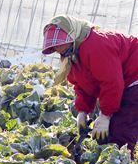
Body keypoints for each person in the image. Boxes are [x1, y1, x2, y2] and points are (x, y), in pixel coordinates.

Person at [42, 15, 138, 156]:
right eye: (56, 47)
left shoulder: (95, 45)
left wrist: (105, 115)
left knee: (120, 130)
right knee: (107, 132)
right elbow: (83, 85)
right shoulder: (72, 54)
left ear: (72, 36)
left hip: (134, 76)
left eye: (62, 44)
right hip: (125, 81)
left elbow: (112, 82)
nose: (58, 49)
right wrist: (83, 111)